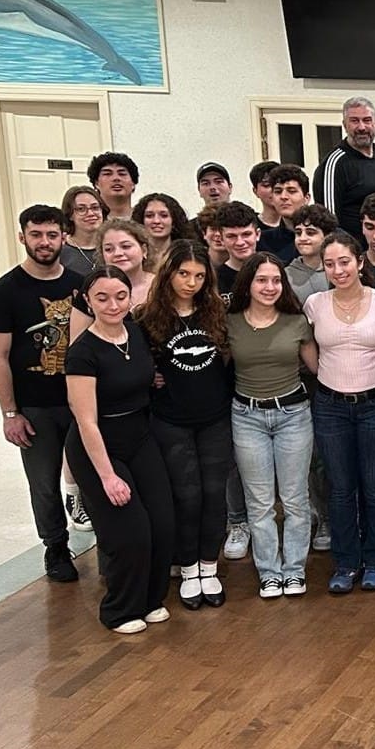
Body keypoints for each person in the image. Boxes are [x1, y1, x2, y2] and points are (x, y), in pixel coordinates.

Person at [64, 266, 175, 633]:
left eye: (120, 297)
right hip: (98, 447)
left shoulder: (136, 333)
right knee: (131, 532)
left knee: (162, 523)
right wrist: (107, 476)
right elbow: (86, 422)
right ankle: (120, 611)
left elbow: (139, 374)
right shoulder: (82, 353)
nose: (113, 305)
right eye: (102, 298)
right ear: (87, 300)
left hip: (139, 437)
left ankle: (151, 600)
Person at [0, 205, 85, 581]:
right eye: (36, 234)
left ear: (63, 238)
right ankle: (56, 546)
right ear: (22, 237)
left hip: (81, 401)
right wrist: (10, 413)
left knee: (93, 475)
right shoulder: (3, 291)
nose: (44, 242)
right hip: (35, 405)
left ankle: (110, 543)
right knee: (43, 482)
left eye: (52, 234)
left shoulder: (80, 284)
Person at [306, 231, 375, 594]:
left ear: (360, 262)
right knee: (340, 488)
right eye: (330, 264)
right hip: (331, 407)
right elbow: (310, 350)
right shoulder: (315, 304)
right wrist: (329, 375)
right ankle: (346, 562)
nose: (338, 270)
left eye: (344, 262)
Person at [137, 240, 233, 610]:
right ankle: (188, 567)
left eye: (199, 275)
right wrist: (150, 375)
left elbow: (227, 359)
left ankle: (209, 566)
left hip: (214, 417)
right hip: (170, 420)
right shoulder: (147, 318)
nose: (191, 282)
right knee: (186, 496)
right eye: (183, 274)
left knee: (214, 493)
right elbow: (134, 364)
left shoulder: (216, 312)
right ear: (168, 274)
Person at [226, 252, 319, 599]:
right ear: (247, 284)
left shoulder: (296, 321)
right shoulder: (230, 322)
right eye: (262, 280)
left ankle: (294, 570)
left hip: (293, 414)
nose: (270, 287)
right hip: (247, 416)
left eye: (276, 280)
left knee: (295, 499)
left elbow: (317, 368)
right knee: (260, 501)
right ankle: (268, 572)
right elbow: (215, 367)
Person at [312, 97, 375, 242]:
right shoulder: (334, 164)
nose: (362, 127)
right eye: (354, 121)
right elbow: (328, 224)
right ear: (345, 125)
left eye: (367, 120)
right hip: (353, 251)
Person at [258, 164, 310, 262]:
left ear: (306, 198)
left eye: (291, 191)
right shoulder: (263, 242)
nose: (283, 197)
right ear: (272, 198)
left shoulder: (327, 236)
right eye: (278, 191)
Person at [285, 204, 336, 304]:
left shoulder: (339, 271)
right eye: (298, 233)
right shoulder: (284, 276)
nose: (302, 238)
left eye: (310, 233)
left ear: (328, 237)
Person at [132, 192, 195, 272]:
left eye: (164, 216)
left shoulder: (188, 253)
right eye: (149, 216)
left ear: (174, 221)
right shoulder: (133, 254)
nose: (156, 221)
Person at [214, 202, 262, 303]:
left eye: (246, 234)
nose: (240, 242)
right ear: (221, 239)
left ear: (257, 234)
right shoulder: (213, 279)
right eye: (231, 236)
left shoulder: (276, 272)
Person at [59, 184, 105, 276]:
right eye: (81, 209)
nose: (90, 213)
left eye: (95, 207)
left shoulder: (112, 246)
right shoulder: (60, 250)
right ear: (70, 215)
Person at [87, 151, 139, 219]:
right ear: (96, 183)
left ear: (133, 183)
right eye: (107, 174)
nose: (116, 178)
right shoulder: (89, 219)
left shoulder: (146, 219)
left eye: (122, 174)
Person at [249, 160, 282, 234]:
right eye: (266, 185)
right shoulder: (250, 225)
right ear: (255, 191)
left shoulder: (295, 225)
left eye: (277, 184)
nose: (274, 190)